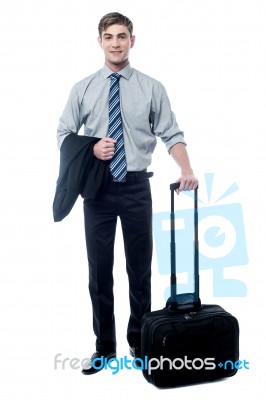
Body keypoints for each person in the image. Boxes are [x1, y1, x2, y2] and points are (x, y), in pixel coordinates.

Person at [56, 12, 198, 375]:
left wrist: (186, 169)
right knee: (99, 272)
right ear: (100, 41)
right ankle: (104, 347)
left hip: (136, 188)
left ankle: (140, 341)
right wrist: (90, 148)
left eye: (122, 36)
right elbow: (63, 134)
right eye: (108, 37)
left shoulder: (152, 87)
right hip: (97, 191)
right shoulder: (83, 88)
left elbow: (172, 133)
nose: (115, 43)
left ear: (132, 40)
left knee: (139, 271)